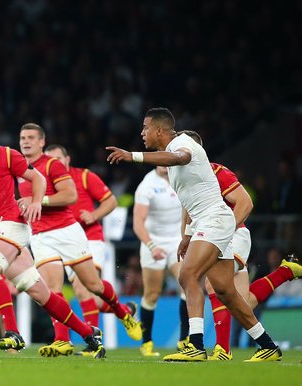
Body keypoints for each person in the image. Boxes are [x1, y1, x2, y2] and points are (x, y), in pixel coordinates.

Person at [106, 107, 282, 362]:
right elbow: (191, 201)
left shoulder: (182, 143)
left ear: (159, 130)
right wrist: (187, 236)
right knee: (226, 292)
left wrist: (132, 156)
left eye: (145, 128)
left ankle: (195, 344)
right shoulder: (173, 155)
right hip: (208, 221)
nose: (142, 132)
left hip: (215, 220)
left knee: (188, 274)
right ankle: (267, 346)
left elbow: (180, 157)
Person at [0, 111, 106, 359]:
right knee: (39, 292)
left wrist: (35, 202)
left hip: (12, 222)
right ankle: (89, 334)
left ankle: (12, 332)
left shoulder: (6, 154)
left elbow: (37, 177)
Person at [18, 123, 141, 357]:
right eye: (23, 137)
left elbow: (70, 196)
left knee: (91, 286)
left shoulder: (53, 165)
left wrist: (39, 201)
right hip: (41, 236)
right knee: (52, 289)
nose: (26, 141)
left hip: (68, 232)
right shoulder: (22, 170)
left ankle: (122, 312)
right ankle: (63, 340)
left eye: (31, 137)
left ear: (41, 142)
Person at [179, 129, 302, 360]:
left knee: (214, 286)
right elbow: (188, 210)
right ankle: (284, 272)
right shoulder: (186, 177)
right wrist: (185, 236)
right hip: (210, 234)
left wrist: (223, 231)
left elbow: (244, 204)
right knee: (240, 302)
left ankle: (222, 350)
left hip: (232, 233)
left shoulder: (216, 172)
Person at [44, 144, 138, 354]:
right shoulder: (43, 182)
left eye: (58, 158)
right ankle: (123, 311)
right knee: (90, 295)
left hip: (90, 239)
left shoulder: (84, 176)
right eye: (50, 160)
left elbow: (111, 201)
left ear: (67, 159)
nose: (54, 163)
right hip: (62, 240)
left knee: (82, 287)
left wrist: (94, 216)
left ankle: (92, 342)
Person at [132, 166, 187, 357]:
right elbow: (138, 223)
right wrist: (151, 245)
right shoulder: (147, 185)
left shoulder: (181, 177)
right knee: (152, 293)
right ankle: (146, 343)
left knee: (187, 284)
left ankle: (184, 341)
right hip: (153, 241)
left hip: (178, 240)